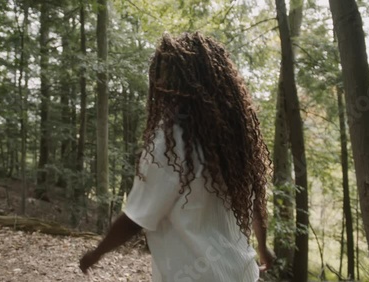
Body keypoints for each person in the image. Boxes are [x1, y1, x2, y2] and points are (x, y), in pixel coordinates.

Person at [79, 32, 276, 282]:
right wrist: (262, 246)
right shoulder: (235, 141)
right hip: (242, 272)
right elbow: (256, 198)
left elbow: (135, 218)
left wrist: (96, 253)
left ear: (170, 84)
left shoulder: (171, 141)